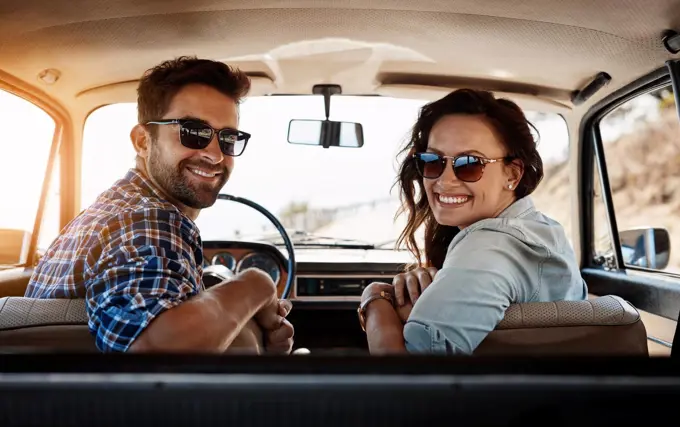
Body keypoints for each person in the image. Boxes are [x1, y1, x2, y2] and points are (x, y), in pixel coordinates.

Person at [25, 56, 294, 354]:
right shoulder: (148, 219)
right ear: (143, 141)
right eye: (193, 132)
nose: (216, 155)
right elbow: (155, 356)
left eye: (228, 138)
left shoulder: (108, 212)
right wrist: (257, 284)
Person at [359, 89, 587, 354]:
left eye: (469, 164)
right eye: (433, 161)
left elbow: (405, 383)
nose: (444, 181)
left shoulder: (489, 248)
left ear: (512, 174)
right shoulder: (544, 231)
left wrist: (374, 298)